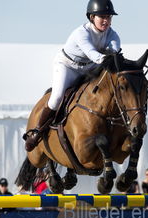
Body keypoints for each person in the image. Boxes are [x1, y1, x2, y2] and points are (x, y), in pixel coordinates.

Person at [25, 0, 120, 152]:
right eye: (102, 16)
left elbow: (114, 50)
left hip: (89, 67)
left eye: (109, 17)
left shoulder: (113, 34)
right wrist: (108, 57)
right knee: (56, 98)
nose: (106, 20)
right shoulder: (81, 33)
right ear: (91, 17)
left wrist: (115, 57)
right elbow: (92, 54)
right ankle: (36, 132)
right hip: (67, 66)